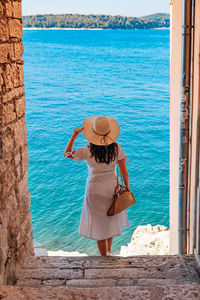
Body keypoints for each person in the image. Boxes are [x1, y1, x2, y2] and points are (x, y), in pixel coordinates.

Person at [64, 115, 129, 256]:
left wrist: (74, 136)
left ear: (92, 134)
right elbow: (124, 171)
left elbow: (67, 154)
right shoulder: (117, 147)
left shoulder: (87, 150)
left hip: (94, 190)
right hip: (112, 188)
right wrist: (127, 186)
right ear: (109, 132)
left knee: (99, 225)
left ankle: (104, 257)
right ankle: (110, 252)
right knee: (110, 220)